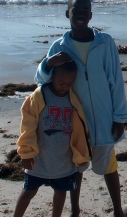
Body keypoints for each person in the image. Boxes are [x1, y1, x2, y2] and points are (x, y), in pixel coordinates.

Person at [35, 0, 127, 217]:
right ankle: (75, 210)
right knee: (76, 166)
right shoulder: (60, 46)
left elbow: (115, 81)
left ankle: (118, 210)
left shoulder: (105, 42)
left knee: (108, 164)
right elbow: (41, 80)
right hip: (74, 119)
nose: (80, 15)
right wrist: (48, 63)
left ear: (91, 15)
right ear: (67, 13)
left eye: (85, 11)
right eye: (75, 10)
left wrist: (120, 117)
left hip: (104, 116)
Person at [14, 61, 91, 217]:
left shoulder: (73, 100)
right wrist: (26, 153)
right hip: (39, 159)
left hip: (64, 160)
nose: (64, 87)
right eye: (61, 82)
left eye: (69, 84)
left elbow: (81, 130)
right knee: (28, 191)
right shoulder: (39, 96)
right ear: (52, 76)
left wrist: (82, 155)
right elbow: (27, 126)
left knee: (61, 192)